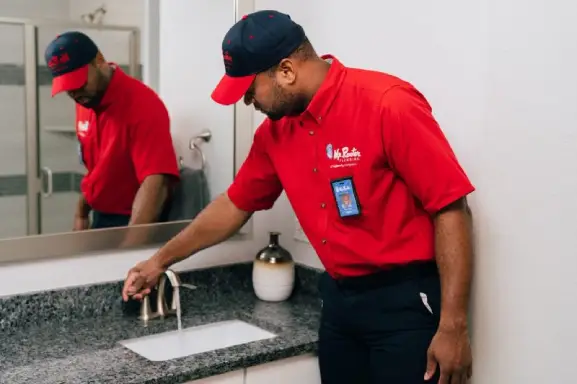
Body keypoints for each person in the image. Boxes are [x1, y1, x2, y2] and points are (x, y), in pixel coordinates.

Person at [122, 10, 474, 384]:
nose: (247, 102)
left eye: (249, 89)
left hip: (404, 303)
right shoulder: (274, 134)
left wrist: (453, 325)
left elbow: (451, 208)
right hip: (339, 303)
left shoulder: (387, 103)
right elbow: (233, 205)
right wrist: (159, 260)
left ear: (286, 71)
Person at [45, 31, 180, 230]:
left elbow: (156, 182)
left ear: (99, 61)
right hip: (99, 217)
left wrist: (131, 246)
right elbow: (98, 169)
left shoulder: (143, 104)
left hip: (133, 220)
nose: (74, 93)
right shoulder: (85, 101)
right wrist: (81, 213)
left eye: (78, 82)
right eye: (68, 88)